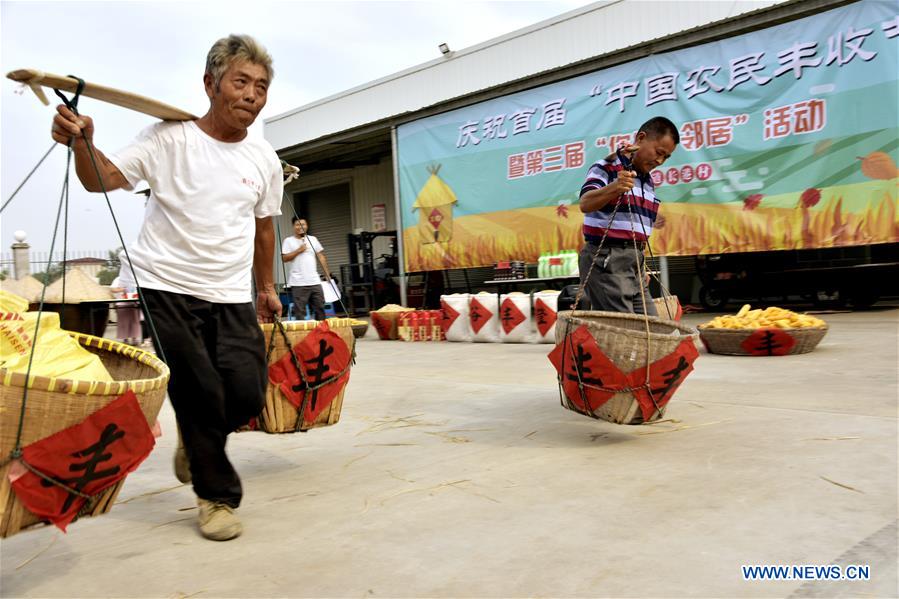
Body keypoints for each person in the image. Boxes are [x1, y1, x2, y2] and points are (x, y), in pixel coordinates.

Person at [51, 34, 283, 541]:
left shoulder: (263, 158)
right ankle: (216, 498)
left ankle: (196, 442)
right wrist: (83, 142)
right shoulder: (168, 139)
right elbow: (100, 178)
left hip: (231, 292)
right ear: (210, 84)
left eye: (261, 86)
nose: (251, 95)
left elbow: (265, 226)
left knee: (246, 394)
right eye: (240, 82)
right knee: (199, 391)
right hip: (166, 286)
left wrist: (266, 287)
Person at [577, 116, 679, 315]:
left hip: (634, 263)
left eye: (666, 157)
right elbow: (585, 203)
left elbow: (636, 231)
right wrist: (615, 187)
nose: (659, 161)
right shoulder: (606, 167)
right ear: (641, 138)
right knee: (627, 328)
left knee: (652, 325)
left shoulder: (647, 181)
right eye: (659, 152)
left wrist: (639, 263)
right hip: (607, 259)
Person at [281, 217, 333, 320]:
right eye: (297, 224)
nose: (300, 227)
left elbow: (321, 256)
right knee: (300, 312)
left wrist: (327, 274)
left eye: (303, 224)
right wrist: (299, 250)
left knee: (320, 308)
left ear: (307, 226)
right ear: (293, 226)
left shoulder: (313, 239)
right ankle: (303, 331)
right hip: (298, 283)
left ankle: (321, 330)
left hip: (315, 281)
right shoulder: (288, 241)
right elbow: (284, 258)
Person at [109, 249, 142, 346]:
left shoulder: (134, 279)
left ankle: (135, 338)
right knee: (124, 322)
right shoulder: (119, 279)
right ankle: (125, 339)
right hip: (122, 303)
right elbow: (112, 289)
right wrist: (121, 289)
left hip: (133, 303)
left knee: (134, 321)